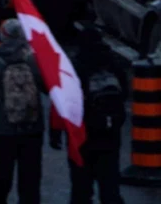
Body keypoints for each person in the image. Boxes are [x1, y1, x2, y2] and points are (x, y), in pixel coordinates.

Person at [56, 26, 128, 204]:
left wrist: (57, 132)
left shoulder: (75, 66)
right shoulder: (113, 63)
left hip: (83, 135)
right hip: (110, 131)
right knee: (110, 184)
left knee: (81, 186)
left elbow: (65, 101)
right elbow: (125, 93)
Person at [0, 19, 46, 204]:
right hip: (32, 126)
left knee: (2, 171)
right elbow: (47, 87)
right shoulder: (34, 60)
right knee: (30, 176)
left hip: (4, 127)